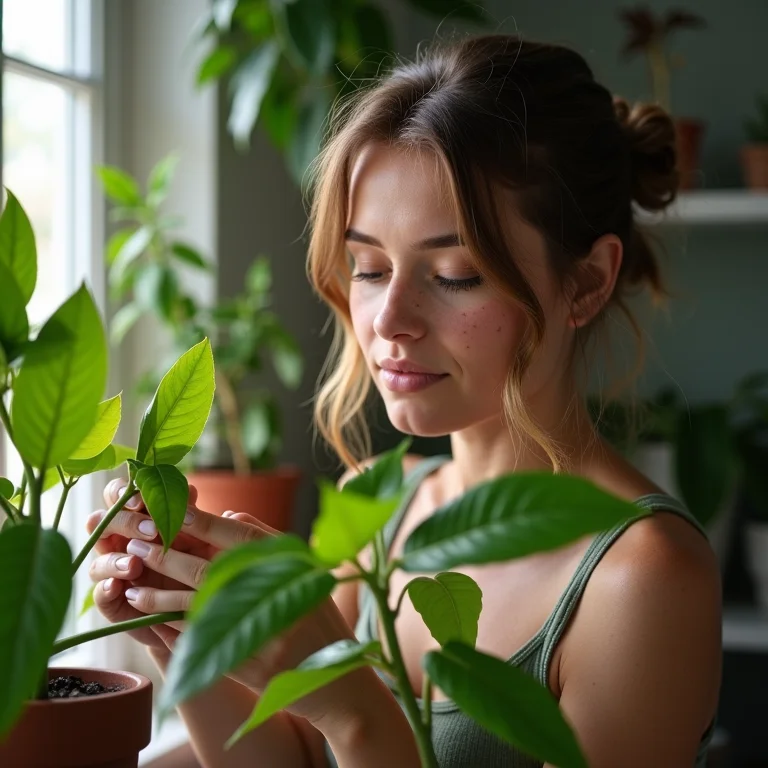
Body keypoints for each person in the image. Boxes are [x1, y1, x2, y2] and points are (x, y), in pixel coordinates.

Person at [87, 33, 722, 768]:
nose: (387, 321)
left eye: (453, 274)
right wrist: (195, 643)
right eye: (367, 267)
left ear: (584, 283)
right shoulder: (378, 512)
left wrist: (355, 711)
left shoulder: (643, 579)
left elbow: (353, 732)